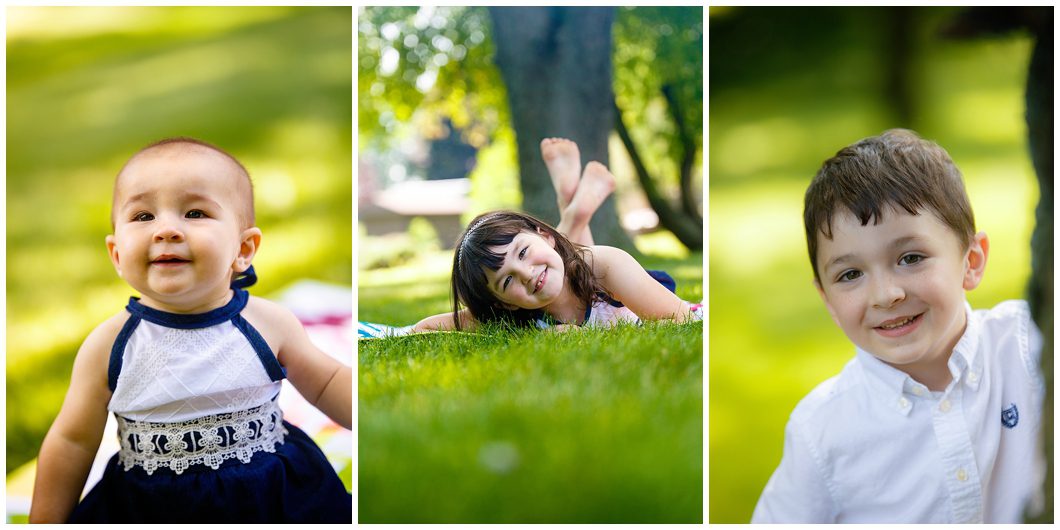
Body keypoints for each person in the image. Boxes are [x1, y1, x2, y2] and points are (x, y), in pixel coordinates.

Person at [29, 138, 352, 523]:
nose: (166, 230)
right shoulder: (110, 345)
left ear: (244, 249)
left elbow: (328, 381)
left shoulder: (267, 324)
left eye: (195, 213)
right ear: (116, 254)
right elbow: (72, 441)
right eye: (144, 216)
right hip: (152, 505)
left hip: (270, 495)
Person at [751, 129, 1044, 523]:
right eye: (851, 273)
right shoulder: (821, 431)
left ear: (971, 261)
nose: (885, 295)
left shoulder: (1029, 346)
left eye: (910, 258)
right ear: (828, 301)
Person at [408, 137, 702, 333]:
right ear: (502, 303)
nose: (526, 273)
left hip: (624, 290)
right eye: (507, 280)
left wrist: (581, 337)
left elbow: (682, 322)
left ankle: (572, 210)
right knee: (570, 263)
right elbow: (423, 329)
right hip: (570, 269)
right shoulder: (505, 315)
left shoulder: (607, 264)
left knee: (584, 262)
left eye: (522, 252)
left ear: (546, 234)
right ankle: (572, 206)